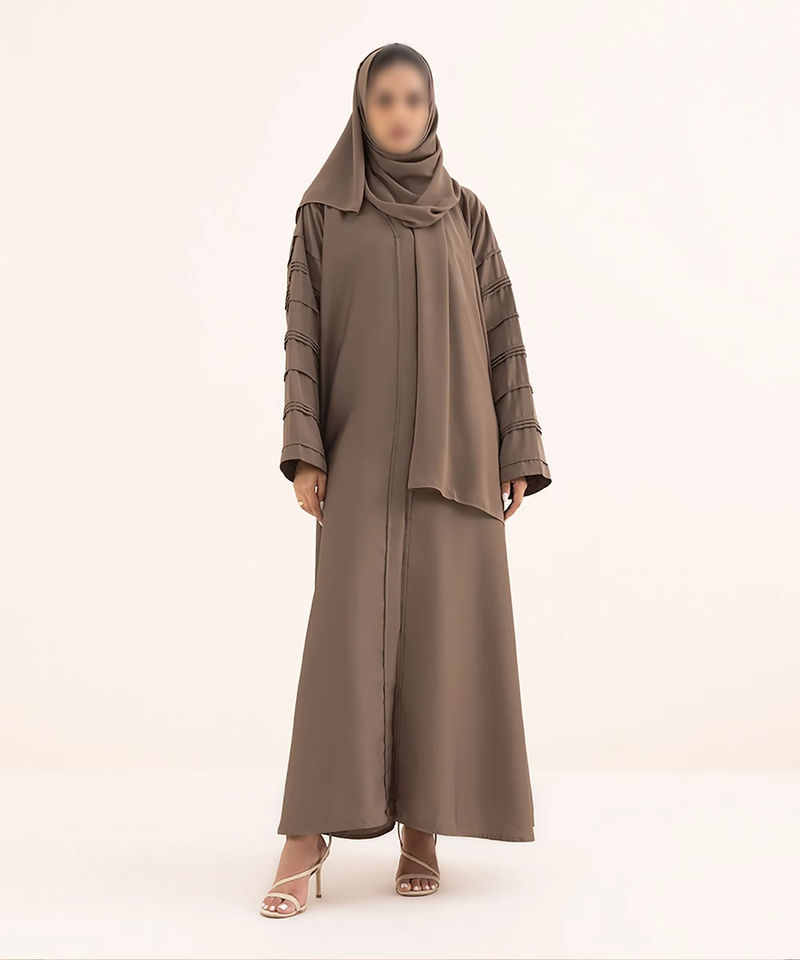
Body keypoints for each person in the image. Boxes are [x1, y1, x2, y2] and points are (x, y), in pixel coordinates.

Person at [261, 42, 552, 919]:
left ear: (431, 109)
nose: (398, 113)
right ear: (363, 109)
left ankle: (424, 825)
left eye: (412, 99)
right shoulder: (324, 214)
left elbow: (501, 329)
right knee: (344, 644)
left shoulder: (466, 213)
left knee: (443, 639)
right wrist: (307, 451)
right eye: (383, 99)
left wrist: (517, 450)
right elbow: (303, 336)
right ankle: (306, 835)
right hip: (360, 458)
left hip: (457, 459)